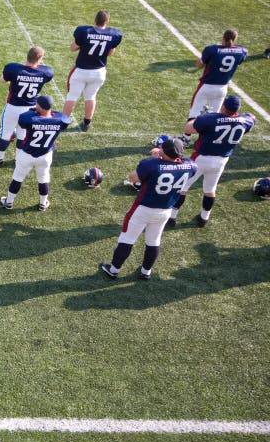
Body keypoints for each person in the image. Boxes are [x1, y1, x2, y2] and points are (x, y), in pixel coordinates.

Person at [100, 138, 197, 280]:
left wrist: (156, 158)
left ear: (164, 151)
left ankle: (113, 270)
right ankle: (146, 272)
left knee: (127, 239)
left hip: (143, 208)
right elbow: (184, 162)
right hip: (165, 210)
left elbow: (133, 178)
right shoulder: (191, 166)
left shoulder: (151, 164)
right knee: (154, 241)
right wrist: (165, 156)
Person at [169, 95, 254, 227]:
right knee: (210, 189)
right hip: (221, 161)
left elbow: (187, 128)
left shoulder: (210, 119)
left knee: (183, 187)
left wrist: (200, 117)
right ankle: (204, 218)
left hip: (201, 158)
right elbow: (251, 116)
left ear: (224, 106)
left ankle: (172, 217)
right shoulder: (245, 121)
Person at [0, 95, 71, 211]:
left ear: (40, 107)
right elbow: (64, 118)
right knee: (43, 178)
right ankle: (43, 204)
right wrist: (48, 113)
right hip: (45, 155)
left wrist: (33, 111)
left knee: (18, 177)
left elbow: (23, 119)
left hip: (27, 154)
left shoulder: (30, 118)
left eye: (37, 104)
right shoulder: (60, 120)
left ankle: (9, 202)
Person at [0, 46, 54, 164]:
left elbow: (2, 80)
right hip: (31, 109)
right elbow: (44, 72)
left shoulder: (13, 69)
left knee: (6, 132)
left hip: (13, 107)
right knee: (22, 134)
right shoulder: (45, 72)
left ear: (27, 56)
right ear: (39, 59)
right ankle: (19, 158)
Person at [182, 29, 248, 145]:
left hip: (206, 86)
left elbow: (199, 65)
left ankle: (185, 139)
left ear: (223, 37)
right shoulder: (241, 51)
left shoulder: (212, 49)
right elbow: (239, 56)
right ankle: (206, 140)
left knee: (194, 113)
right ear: (235, 39)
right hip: (222, 88)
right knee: (215, 117)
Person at [63, 10, 123, 132]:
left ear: (95, 20)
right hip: (98, 72)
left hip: (81, 70)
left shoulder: (84, 31)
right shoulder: (114, 34)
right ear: (107, 21)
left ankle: (62, 123)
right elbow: (110, 53)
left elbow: (73, 48)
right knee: (91, 96)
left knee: (72, 96)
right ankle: (87, 123)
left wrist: (84, 45)